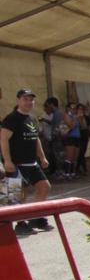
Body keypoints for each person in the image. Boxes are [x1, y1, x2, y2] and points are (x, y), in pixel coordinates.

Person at [1, 89, 53, 235]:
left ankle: (35, 218)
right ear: (18, 100)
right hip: (17, 163)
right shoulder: (12, 118)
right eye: (25, 99)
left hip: (32, 162)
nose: (29, 102)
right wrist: (7, 161)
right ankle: (20, 223)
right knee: (18, 194)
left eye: (31, 100)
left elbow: (35, 138)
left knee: (44, 187)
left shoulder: (31, 118)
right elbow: (3, 139)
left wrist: (42, 157)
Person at [60, 101, 83, 180]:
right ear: (68, 108)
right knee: (69, 156)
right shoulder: (67, 115)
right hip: (69, 137)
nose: (74, 110)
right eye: (72, 108)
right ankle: (67, 174)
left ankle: (73, 173)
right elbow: (71, 126)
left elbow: (83, 125)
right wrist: (75, 118)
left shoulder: (76, 116)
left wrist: (81, 117)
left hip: (77, 136)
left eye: (75, 108)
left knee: (74, 156)